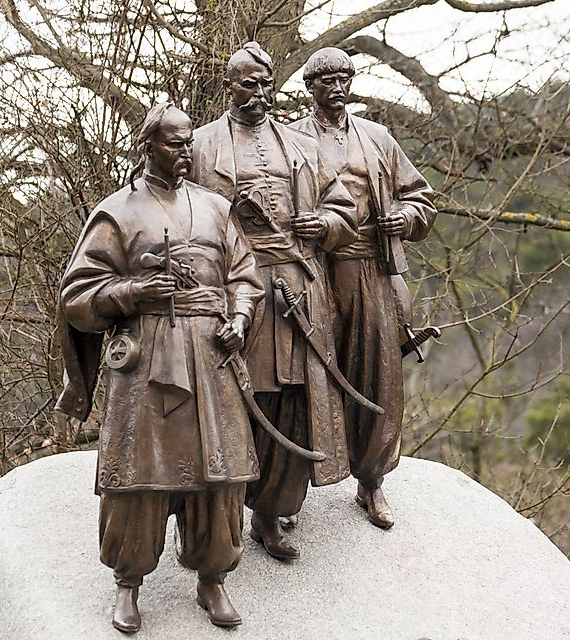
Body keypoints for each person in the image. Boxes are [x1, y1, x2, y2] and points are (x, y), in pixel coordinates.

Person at [55, 103, 264, 633]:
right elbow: (77, 297)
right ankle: (128, 582)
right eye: (174, 143)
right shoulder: (117, 213)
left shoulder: (217, 208)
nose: (186, 151)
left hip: (212, 357)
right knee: (138, 476)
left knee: (222, 475)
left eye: (189, 141)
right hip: (147, 359)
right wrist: (133, 291)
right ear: (147, 146)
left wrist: (239, 317)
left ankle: (213, 576)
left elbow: (244, 275)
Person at [189, 42, 357, 561]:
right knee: (231, 396)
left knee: (290, 397)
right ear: (228, 86)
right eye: (248, 85)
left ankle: (270, 512)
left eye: (266, 85)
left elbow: (341, 206)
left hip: (296, 286)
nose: (259, 94)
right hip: (230, 287)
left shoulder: (299, 146)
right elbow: (167, 207)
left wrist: (325, 224)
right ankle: (214, 514)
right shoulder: (199, 145)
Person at [290, 47, 437, 529]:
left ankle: (371, 482)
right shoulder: (292, 141)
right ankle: (286, 491)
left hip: (372, 268)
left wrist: (406, 217)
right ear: (310, 87)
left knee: (378, 374)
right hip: (314, 269)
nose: (337, 86)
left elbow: (422, 199)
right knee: (307, 372)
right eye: (326, 79)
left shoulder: (377, 139)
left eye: (344, 77)